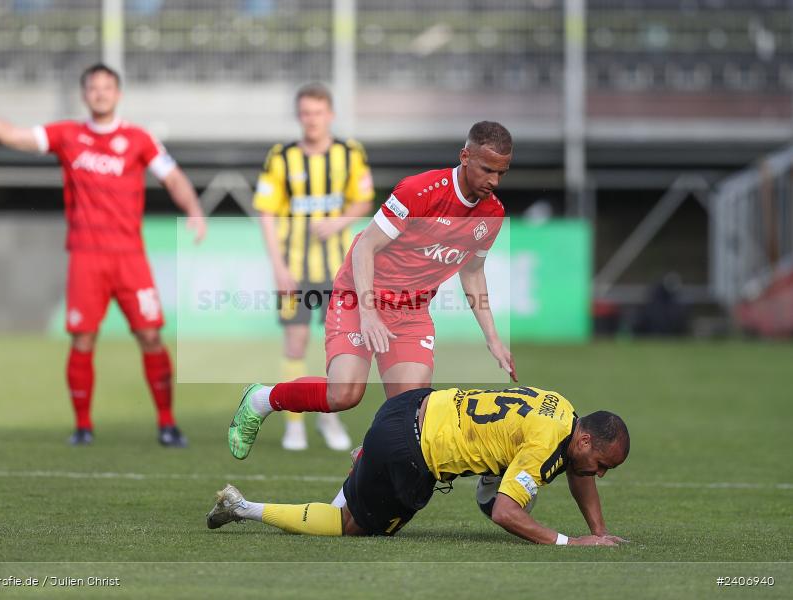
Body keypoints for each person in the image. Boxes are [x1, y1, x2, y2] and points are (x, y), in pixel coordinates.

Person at [0, 63, 207, 447]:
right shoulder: (67, 134)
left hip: (130, 257)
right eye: (93, 87)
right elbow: (14, 137)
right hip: (86, 257)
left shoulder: (139, 138)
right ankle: (83, 426)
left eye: (107, 87)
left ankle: (167, 424)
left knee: (151, 336)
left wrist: (194, 209)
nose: (100, 93)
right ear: (84, 94)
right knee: (83, 339)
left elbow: (172, 176)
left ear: (118, 94)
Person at [229, 121, 516, 460]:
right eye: (487, 170)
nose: (493, 182)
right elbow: (366, 247)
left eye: (502, 173)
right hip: (359, 295)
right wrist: (368, 314)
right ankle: (261, 399)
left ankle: (362, 470)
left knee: (411, 416)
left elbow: (472, 272)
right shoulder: (419, 191)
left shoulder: (491, 214)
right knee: (345, 394)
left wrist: (492, 337)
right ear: (465, 156)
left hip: (411, 312)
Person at [209, 385, 630, 546]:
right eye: (601, 463)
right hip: (410, 453)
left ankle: (369, 460)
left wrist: (599, 532)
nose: (600, 473)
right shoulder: (547, 447)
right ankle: (242, 507)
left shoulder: (564, 412)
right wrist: (570, 543)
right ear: (585, 439)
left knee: (500, 479)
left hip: (410, 405)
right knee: (351, 524)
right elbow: (506, 514)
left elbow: (579, 473)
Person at [253, 82, 375, 452]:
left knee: (336, 347)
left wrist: (338, 222)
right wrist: (278, 266)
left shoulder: (350, 154)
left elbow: (364, 199)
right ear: (298, 116)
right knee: (295, 342)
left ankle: (328, 417)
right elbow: (266, 211)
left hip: (339, 269)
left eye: (318, 113)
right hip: (295, 267)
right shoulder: (282, 156)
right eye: (305, 113)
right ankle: (294, 425)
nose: (312, 120)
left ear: (330, 115)